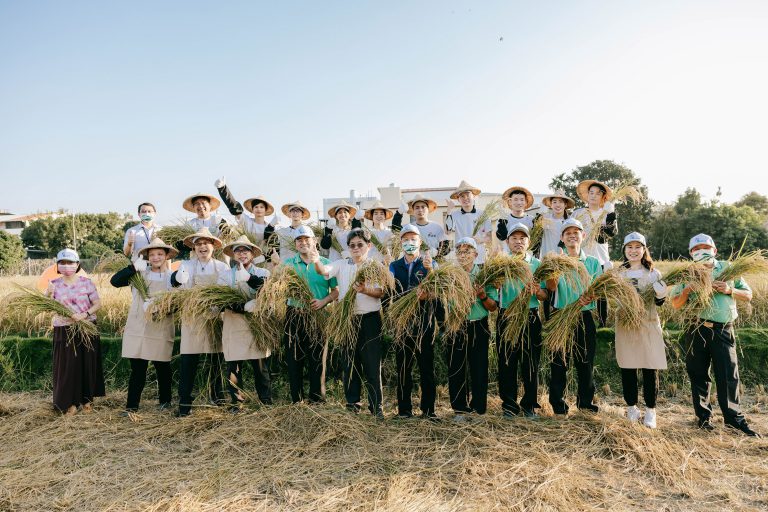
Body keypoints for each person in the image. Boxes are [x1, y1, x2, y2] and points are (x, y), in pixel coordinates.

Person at [670, 233, 760, 437]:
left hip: (722, 329)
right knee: (698, 373)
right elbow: (675, 303)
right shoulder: (687, 273)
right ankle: (704, 418)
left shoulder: (729, 269)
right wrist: (687, 291)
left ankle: (734, 420)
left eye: (705, 248)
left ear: (714, 250)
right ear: (691, 253)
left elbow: (748, 295)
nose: (701, 252)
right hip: (696, 328)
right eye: (696, 249)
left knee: (728, 374)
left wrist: (729, 290)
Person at [314, 228, 385, 417]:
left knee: (372, 365)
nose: (356, 248)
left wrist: (364, 290)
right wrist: (315, 258)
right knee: (350, 364)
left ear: (368, 246)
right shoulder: (341, 264)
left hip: (370, 319)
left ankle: (376, 407)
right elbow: (323, 270)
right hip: (348, 320)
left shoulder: (375, 266)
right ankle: (353, 405)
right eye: (352, 245)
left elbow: (381, 292)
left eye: (360, 245)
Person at [110, 238, 177, 414]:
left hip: (161, 324)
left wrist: (161, 308)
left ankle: (165, 401)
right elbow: (114, 282)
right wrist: (132, 268)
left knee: (162, 366)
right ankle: (131, 407)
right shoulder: (139, 274)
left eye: (160, 254)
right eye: (152, 254)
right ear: (147, 257)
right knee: (138, 369)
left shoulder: (172, 277)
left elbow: (178, 302)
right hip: (138, 325)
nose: (156, 257)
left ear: (166, 256)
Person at [546, 218, 603, 416]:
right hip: (561, 316)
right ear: (562, 238)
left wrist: (588, 297)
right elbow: (551, 288)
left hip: (584, 317)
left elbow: (598, 289)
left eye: (576, 232)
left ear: (583, 236)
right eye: (567, 233)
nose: (572, 235)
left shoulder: (593, 262)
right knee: (559, 363)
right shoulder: (555, 261)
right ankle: (559, 407)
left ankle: (586, 405)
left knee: (585, 362)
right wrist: (557, 268)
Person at [171, 227, 229, 417]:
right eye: (199, 244)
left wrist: (215, 306)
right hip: (193, 317)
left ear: (213, 246)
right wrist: (181, 283)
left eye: (206, 243)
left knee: (216, 360)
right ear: (194, 248)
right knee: (189, 359)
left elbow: (224, 290)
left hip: (214, 317)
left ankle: (218, 399)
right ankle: (184, 403)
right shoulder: (186, 265)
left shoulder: (221, 267)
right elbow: (182, 289)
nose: (203, 247)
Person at [615, 232, 667, 429]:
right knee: (628, 366)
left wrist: (661, 293)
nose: (633, 251)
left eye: (638, 247)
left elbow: (659, 302)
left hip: (648, 323)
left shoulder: (653, 272)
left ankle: (651, 411)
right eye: (629, 247)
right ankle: (631, 408)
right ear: (624, 250)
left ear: (644, 250)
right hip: (626, 324)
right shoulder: (618, 273)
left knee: (649, 366)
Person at [282, 225, 339, 403]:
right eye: (299, 240)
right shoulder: (288, 264)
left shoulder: (327, 264)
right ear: (295, 244)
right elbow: (280, 288)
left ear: (314, 241)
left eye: (307, 239)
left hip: (318, 314)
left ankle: (317, 399)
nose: (303, 243)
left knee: (318, 359)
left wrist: (324, 301)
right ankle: (296, 400)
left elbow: (336, 291)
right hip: (294, 313)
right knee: (294, 358)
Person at [496, 223, 548, 418]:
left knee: (530, 362)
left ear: (529, 242)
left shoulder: (537, 264)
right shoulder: (501, 263)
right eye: (514, 238)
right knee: (507, 361)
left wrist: (537, 291)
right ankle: (509, 406)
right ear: (508, 241)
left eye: (522, 238)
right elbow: (493, 288)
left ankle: (529, 405)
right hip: (507, 315)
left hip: (530, 315)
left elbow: (544, 296)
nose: (519, 242)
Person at [46, 248, 104, 415]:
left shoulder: (86, 282)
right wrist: (48, 293)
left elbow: (98, 304)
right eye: (62, 262)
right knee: (68, 366)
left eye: (70, 262)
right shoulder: (54, 284)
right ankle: (69, 403)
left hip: (87, 327)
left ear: (77, 264)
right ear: (57, 265)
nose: (66, 266)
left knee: (87, 363)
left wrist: (84, 314)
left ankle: (86, 401)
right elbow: (48, 304)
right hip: (64, 329)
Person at [389, 224, 438, 420]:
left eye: (413, 239)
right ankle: (404, 410)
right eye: (406, 240)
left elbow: (436, 290)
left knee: (426, 368)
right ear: (401, 243)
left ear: (420, 242)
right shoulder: (394, 265)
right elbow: (390, 286)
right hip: (403, 323)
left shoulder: (428, 264)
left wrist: (429, 271)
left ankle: (429, 410)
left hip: (425, 322)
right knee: (403, 368)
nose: (410, 243)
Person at [217, 235, 272, 410]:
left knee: (260, 365)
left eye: (245, 250)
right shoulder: (225, 275)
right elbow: (220, 300)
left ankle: (266, 401)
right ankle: (236, 403)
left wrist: (256, 303)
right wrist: (242, 306)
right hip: (233, 322)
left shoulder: (263, 273)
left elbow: (268, 294)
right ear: (233, 255)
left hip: (257, 323)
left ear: (252, 254)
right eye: (238, 250)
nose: (242, 254)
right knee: (234, 366)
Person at [447, 237, 498, 421]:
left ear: (476, 254)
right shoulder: (450, 276)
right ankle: (460, 409)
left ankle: (479, 409)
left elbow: (493, 307)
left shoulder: (485, 276)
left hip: (479, 325)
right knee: (456, 368)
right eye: (460, 251)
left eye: (468, 251)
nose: (463, 255)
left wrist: (483, 296)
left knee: (479, 368)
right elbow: (444, 303)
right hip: (456, 325)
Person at [572, 180, 617, 326]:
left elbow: (609, 235)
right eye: (591, 193)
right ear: (587, 195)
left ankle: (603, 323)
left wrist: (611, 215)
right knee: (580, 290)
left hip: (601, 258)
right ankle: (577, 320)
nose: (593, 196)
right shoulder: (578, 213)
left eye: (598, 193)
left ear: (603, 197)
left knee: (601, 293)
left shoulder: (606, 213)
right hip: (582, 258)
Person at [214, 176, 280, 250]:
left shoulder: (269, 226)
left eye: (261, 207)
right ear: (252, 210)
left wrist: (272, 226)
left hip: (262, 256)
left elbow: (271, 244)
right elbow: (235, 208)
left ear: (265, 210)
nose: (259, 209)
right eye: (256, 207)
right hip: (244, 253)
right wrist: (223, 189)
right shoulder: (247, 221)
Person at [445, 180, 491, 264]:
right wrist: (449, 211)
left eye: (467, 195)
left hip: (479, 258)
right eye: (462, 196)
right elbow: (447, 231)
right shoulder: (454, 215)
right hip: (462, 258)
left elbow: (489, 238)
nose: (465, 198)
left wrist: (481, 239)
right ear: (458, 199)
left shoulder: (483, 214)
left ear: (473, 196)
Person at [392, 193, 450, 258]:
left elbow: (446, 247)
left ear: (428, 209)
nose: (420, 210)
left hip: (433, 264)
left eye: (423, 207)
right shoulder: (409, 228)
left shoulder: (437, 227)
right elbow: (395, 229)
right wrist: (399, 213)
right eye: (417, 208)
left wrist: (437, 253)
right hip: (413, 264)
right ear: (413, 211)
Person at [496, 186, 536, 251]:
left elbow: (535, 241)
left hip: (527, 257)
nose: (519, 202)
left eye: (522, 200)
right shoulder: (504, 220)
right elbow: (501, 237)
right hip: (509, 257)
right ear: (510, 202)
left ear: (526, 202)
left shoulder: (532, 220)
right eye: (515, 199)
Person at [538, 190, 575, 258]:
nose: (557, 205)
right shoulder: (544, 219)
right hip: (547, 258)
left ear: (565, 205)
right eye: (554, 202)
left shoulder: (570, 222)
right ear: (551, 205)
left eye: (560, 202)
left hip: (565, 259)